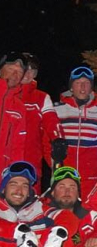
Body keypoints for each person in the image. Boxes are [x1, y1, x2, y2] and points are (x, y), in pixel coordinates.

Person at [49, 66, 97, 197]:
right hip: (63, 170)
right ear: (71, 87)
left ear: (91, 88)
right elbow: (46, 137)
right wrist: (53, 158)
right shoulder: (57, 110)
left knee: (88, 209)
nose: (82, 87)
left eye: (87, 83)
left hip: (90, 173)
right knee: (63, 209)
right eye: (78, 83)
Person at [20, 53, 62, 193]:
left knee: (30, 204)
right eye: (25, 68)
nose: (28, 73)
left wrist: (58, 141)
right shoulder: (4, 94)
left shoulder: (41, 97)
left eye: (33, 70)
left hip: (31, 162)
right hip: (5, 160)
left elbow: (51, 124)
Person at [0, 52, 29, 172]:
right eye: (11, 68)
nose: (15, 74)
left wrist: (15, 173)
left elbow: (18, 147)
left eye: (20, 72)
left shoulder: (19, 108)